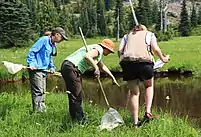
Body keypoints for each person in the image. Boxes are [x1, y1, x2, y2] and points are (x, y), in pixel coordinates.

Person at [118, 25, 169, 128]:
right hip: (144, 63)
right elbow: (155, 49)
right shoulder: (149, 34)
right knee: (148, 86)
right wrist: (163, 59)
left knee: (134, 93)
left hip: (128, 64)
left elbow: (120, 50)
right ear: (144, 30)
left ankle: (135, 122)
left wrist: (122, 62)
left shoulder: (126, 36)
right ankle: (147, 111)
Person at [60, 39, 119, 123]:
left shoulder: (96, 50)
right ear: (106, 48)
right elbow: (87, 56)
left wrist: (112, 77)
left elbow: (102, 66)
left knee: (74, 94)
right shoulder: (99, 49)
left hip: (67, 66)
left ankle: (75, 118)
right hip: (72, 68)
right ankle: (80, 120)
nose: (109, 53)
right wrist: (96, 68)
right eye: (109, 51)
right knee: (76, 95)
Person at [26, 27, 68, 112]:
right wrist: (31, 64)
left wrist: (52, 67)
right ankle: (37, 112)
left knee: (43, 91)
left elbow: (49, 57)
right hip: (36, 70)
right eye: (62, 37)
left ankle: (42, 110)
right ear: (56, 35)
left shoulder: (52, 45)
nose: (62, 40)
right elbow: (32, 51)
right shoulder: (44, 40)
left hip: (44, 71)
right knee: (38, 91)